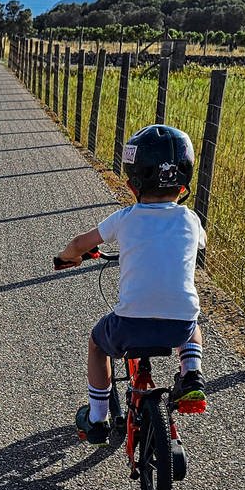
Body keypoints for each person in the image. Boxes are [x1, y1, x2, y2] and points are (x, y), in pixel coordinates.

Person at [55, 124, 207, 446]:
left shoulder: (125, 218)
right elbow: (200, 246)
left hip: (129, 325)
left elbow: (80, 243)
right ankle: (191, 372)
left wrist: (68, 257)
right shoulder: (191, 220)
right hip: (176, 326)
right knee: (192, 318)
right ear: (183, 187)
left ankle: (97, 418)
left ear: (130, 184)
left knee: (97, 345)